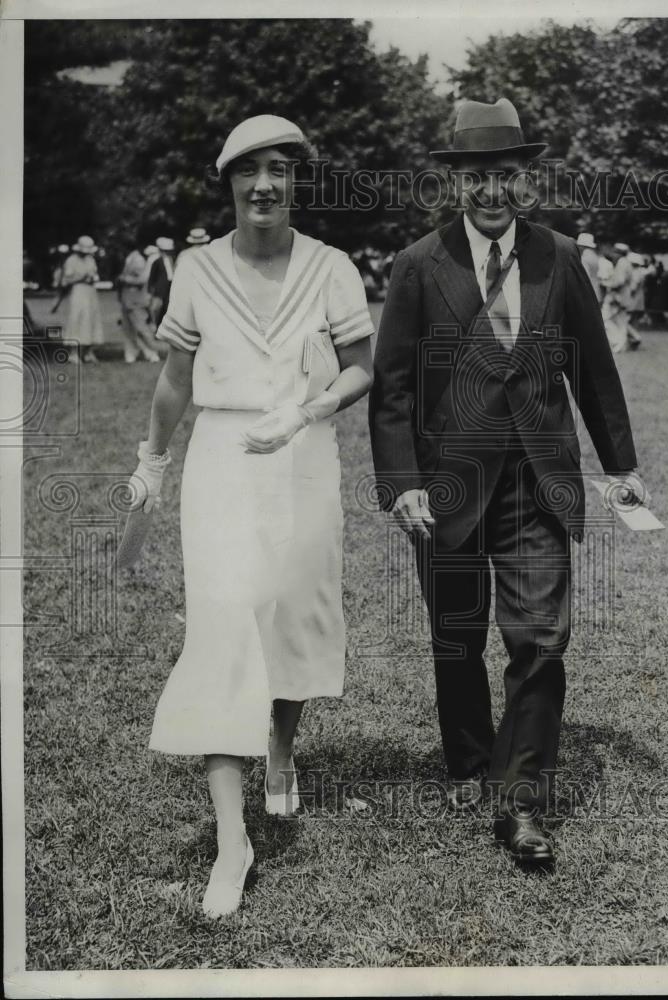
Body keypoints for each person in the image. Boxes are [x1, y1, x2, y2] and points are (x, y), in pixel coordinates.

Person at [369, 97, 650, 868]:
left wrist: (620, 465)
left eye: (506, 175)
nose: (492, 191)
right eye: (477, 177)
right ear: (456, 182)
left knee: (541, 640)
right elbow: (392, 386)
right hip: (448, 486)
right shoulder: (418, 265)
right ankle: (467, 758)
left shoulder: (559, 256)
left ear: (525, 178)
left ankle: (521, 803)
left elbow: (593, 368)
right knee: (457, 638)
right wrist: (401, 484)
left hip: (536, 479)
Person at [127, 114, 373, 917]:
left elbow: (363, 368)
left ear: (297, 181)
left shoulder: (332, 267)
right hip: (224, 463)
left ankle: (281, 748)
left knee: (294, 622)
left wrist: (310, 409)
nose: (264, 184)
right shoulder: (196, 269)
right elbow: (174, 379)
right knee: (226, 630)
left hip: (303, 458)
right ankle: (233, 841)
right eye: (248, 171)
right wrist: (152, 462)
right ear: (228, 182)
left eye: (280, 169)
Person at [61, 235, 104, 363]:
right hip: (78, 291)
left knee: (91, 318)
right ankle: (73, 353)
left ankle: (88, 351)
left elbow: (94, 274)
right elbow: (66, 281)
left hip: (90, 291)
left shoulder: (90, 259)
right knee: (77, 319)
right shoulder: (71, 261)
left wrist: (93, 278)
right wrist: (81, 278)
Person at [117, 246, 161, 363]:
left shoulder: (138, 260)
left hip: (136, 300)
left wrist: (124, 279)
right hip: (127, 300)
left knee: (142, 328)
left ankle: (152, 352)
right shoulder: (129, 258)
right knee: (128, 329)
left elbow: (142, 279)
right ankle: (131, 353)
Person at [601, 242, 632, 353]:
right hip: (624, 297)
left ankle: (617, 342)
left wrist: (605, 283)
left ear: (619, 253)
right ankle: (621, 345)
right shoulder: (626, 263)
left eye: (615, 252)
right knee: (621, 323)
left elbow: (619, 281)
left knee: (605, 320)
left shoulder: (622, 263)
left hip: (617, 297)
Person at [147, 236, 176, 328]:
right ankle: (155, 325)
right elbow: (152, 277)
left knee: (167, 308)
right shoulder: (157, 262)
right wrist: (150, 289)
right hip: (160, 289)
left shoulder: (172, 259)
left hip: (170, 287)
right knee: (156, 308)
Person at [576, 232, 601, 302]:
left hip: (585, 294)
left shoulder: (584, 258)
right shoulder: (595, 257)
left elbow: (584, 278)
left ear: (582, 246)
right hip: (595, 291)